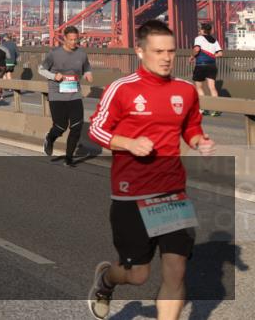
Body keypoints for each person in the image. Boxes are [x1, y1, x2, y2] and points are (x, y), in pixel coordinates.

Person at [87, 19, 215, 320]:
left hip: (172, 192)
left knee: (176, 271)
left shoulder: (185, 90)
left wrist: (199, 140)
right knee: (138, 275)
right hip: (131, 193)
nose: (167, 58)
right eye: (158, 51)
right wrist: (128, 143)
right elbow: (96, 129)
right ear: (140, 51)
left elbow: (191, 126)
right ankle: (107, 279)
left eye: (171, 51)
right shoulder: (121, 89)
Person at [38, 25, 94, 167]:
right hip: (57, 94)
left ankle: (69, 158)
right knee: (60, 126)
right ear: (64, 39)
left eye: (76, 39)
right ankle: (50, 139)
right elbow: (41, 69)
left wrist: (88, 73)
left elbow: (86, 66)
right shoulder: (54, 53)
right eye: (70, 40)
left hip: (74, 94)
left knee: (77, 126)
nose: (74, 42)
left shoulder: (81, 53)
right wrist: (53, 76)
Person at [192, 22, 223, 116]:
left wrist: (192, 56)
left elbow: (197, 49)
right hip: (212, 66)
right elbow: (220, 54)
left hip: (201, 65)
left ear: (202, 30)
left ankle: (203, 109)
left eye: (200, 29)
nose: (199, 30)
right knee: (212, 88)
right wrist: (212, 55)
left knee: (199, 87)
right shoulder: (214, 40)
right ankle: (216, 109)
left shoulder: (198, 38)